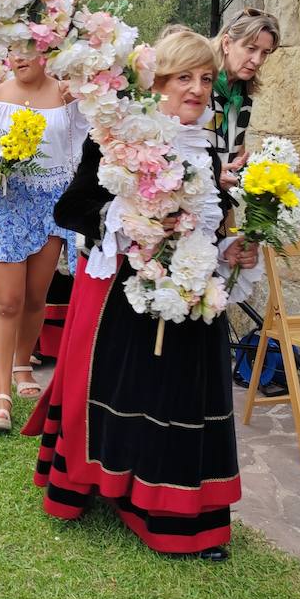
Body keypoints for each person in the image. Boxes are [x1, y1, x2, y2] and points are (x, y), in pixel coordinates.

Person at [23, 28, 259, 560]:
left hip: (193, 297)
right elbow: (72, 209)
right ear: (157, 84)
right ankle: (116, 488)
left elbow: (210, 225)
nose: (196, 89)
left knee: (186, 398)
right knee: (132, 394)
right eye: (183, 78)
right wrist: (133, 218)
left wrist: (233, 249)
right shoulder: (117, 140)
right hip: (126, 296)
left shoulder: (210, 145)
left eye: (204, 78)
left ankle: (174, 512)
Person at [0, 50, 88, 431]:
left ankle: (22, 364)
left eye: (28, 49)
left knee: (35, 298)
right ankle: (1, 394)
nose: (19, 58)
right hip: (5, 204)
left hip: (51, 203)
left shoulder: (67, 98)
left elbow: (79, 150)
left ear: (47, 51)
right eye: (12, 50)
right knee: (6, 302)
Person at [209, 7, 280, 188]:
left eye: (265, 52)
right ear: (226, 44)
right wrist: (213, 172)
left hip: (220, 198)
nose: (257, 60)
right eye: (251, 48)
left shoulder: (242, 93)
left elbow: (237, 149)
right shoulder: (200, 85)